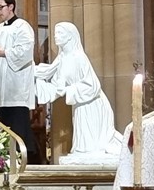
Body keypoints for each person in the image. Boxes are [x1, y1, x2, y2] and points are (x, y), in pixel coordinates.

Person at [34, 21, 126, 162]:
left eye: (60, 33)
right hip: (80, 104)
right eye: (55, 33)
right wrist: (34, 77)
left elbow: (93, 85)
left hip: (93, 104)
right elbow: (55, 85)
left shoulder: (79, 57)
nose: (55, 36)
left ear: (70, 37)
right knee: (83, 145)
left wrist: (69, 90)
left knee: (92, 146)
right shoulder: (62, 59)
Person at [0, 0, 36, 153]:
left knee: (18, 124)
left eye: (1, 7)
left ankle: (25, 158)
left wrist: (1, 52)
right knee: (1, 122)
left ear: (11, 7)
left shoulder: (22, 26)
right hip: (0, 83)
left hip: (16, 85)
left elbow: (25, 51)